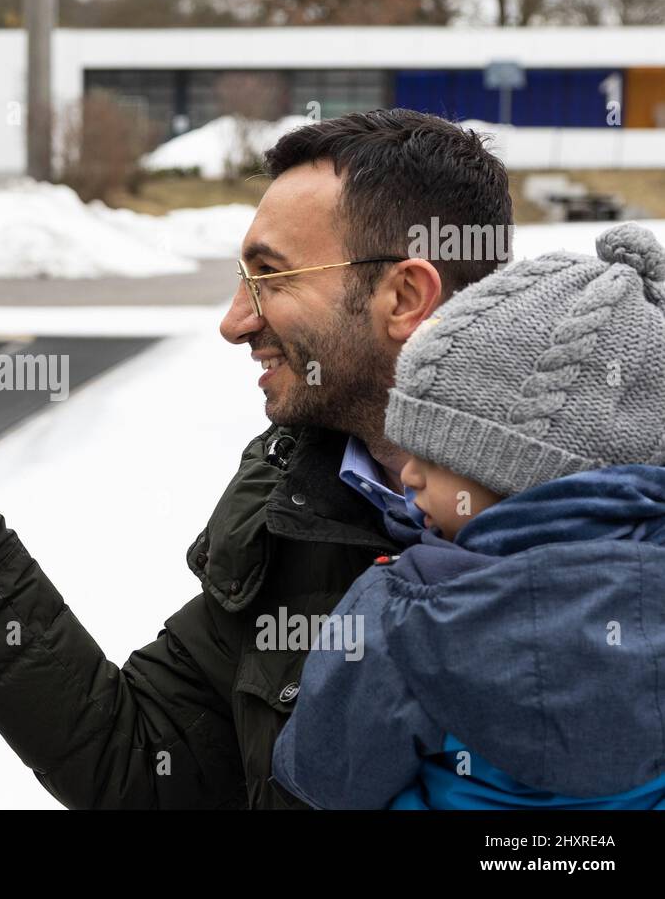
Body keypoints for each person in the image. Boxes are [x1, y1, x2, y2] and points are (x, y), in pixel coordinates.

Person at [0, 109, 515, 808]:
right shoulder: (291, 500)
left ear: (404, 296)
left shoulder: (610, 540)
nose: (234, 321)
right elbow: (144, 760)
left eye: (271, 277)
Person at [272, 222, 665, 809]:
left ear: (512, 465)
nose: (408, 475)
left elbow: (321, 774)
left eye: (432, 453)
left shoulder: (406, 608)